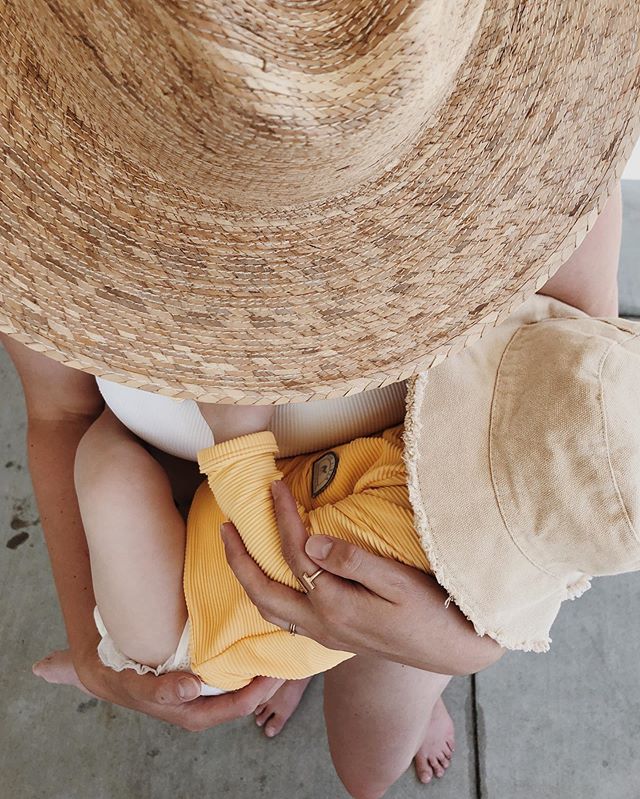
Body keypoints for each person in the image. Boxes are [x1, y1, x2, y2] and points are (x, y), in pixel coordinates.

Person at [1, 180, 625, 797]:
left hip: (380, 580)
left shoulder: (545, 164)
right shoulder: (37, 204)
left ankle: (304, 664)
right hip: (216, 577)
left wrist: (462, 649)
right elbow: (60, 414)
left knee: (367, 765)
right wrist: (91, 656)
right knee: (282, 651)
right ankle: (275, 651)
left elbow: (597, 468)